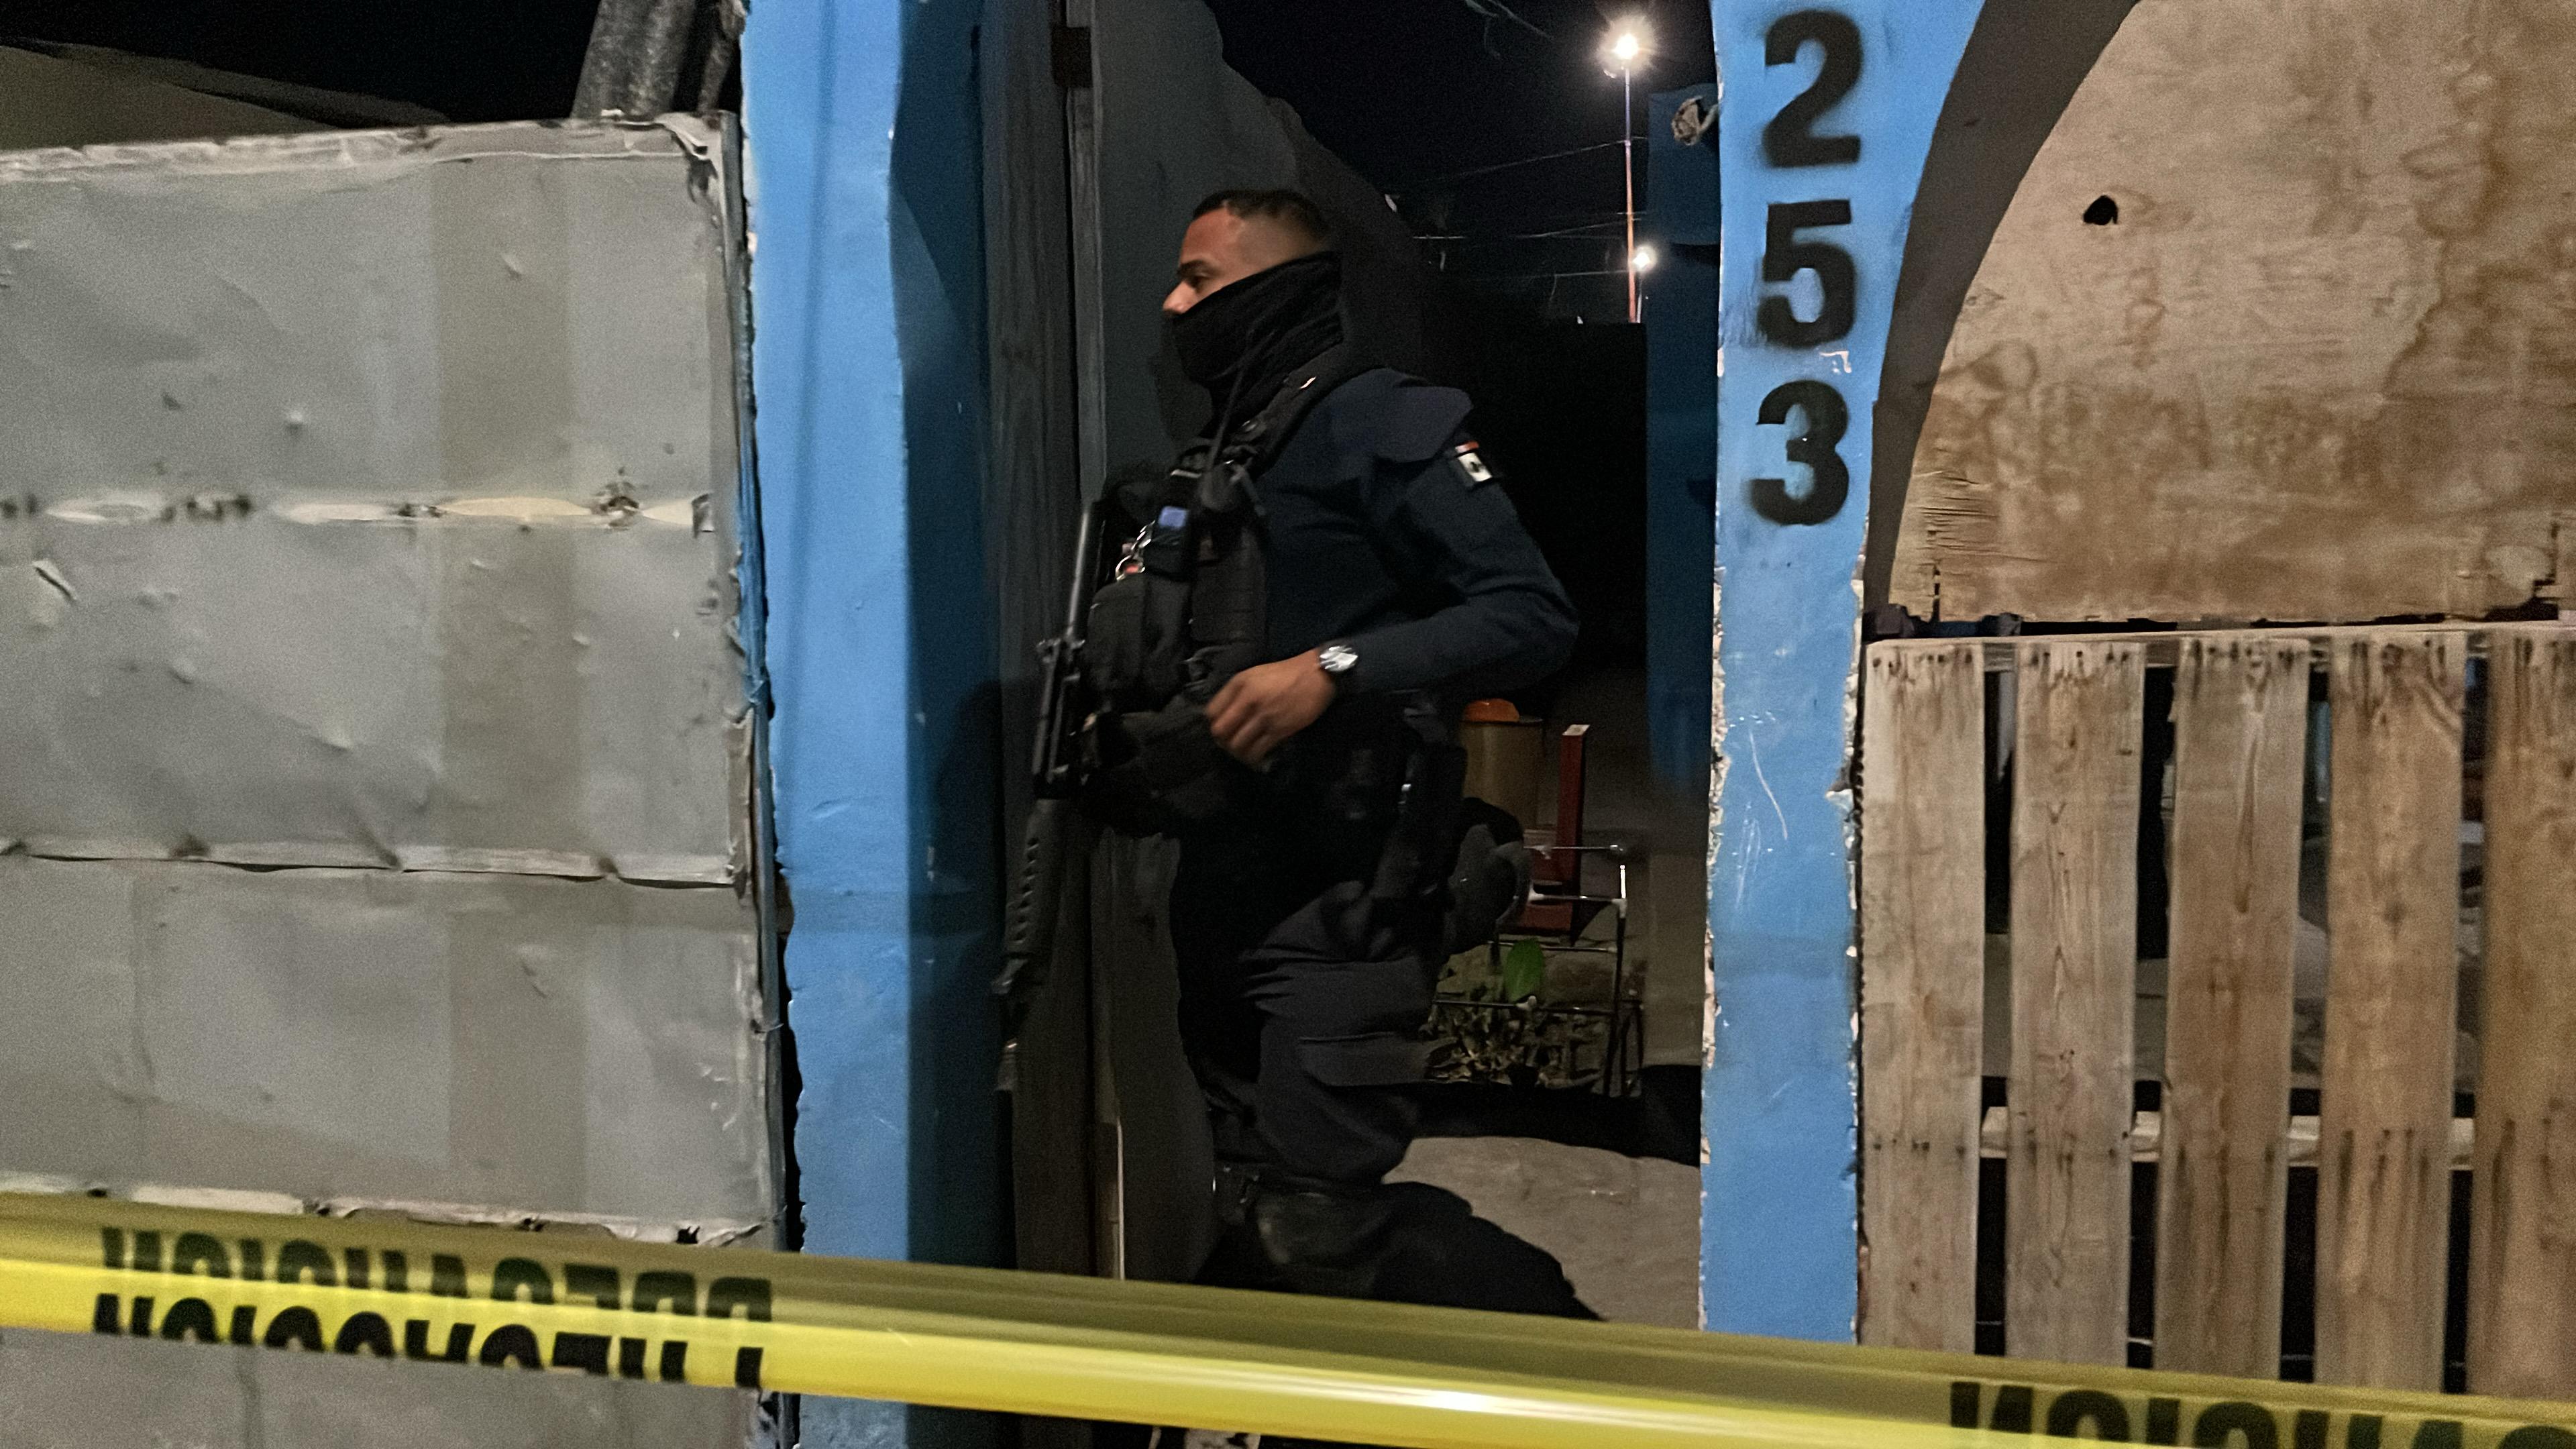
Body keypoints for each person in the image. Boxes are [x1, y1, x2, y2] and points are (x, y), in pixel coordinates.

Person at [1130, 189, 1584, 1313]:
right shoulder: (1232, 449)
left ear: (1281, 289)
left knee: (1315, 1221)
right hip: (1224, 883)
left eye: (1201, 279)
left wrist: (1333, 670)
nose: (1175, 304)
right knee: (1244, 1181)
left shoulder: (1382, 422)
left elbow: (1531, 615)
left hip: (1347, 895)